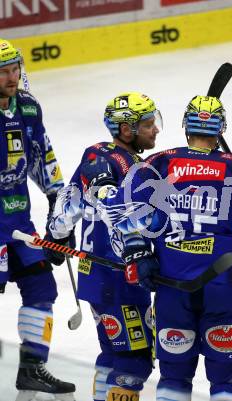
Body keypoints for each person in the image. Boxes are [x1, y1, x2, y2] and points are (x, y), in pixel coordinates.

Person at [81, 95, 232, 401]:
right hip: (224, 287)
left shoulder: (158, 163)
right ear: (221, 129)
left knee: (174, 375)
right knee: (226, 377)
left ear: (186, 127)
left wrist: (138, 252)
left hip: (172, 288)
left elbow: (122, 216)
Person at [46, 92, 162, 401]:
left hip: (100, 274)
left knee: (114, 353)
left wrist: (57, 234)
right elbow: (113, 209)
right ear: (127, 130)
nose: (156, 130)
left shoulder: (105, 156)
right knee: (134, 360)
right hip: (116, 276)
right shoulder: (116, 161)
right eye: (149, 124)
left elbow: (69, 199)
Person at [0, 38, 76, 400]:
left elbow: (43, 159)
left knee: (42, 288)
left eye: (15, 68)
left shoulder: (28, 108)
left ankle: (31, 369)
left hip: (18, 221)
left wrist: (57, 215)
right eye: (3, 71)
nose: (12, 77)